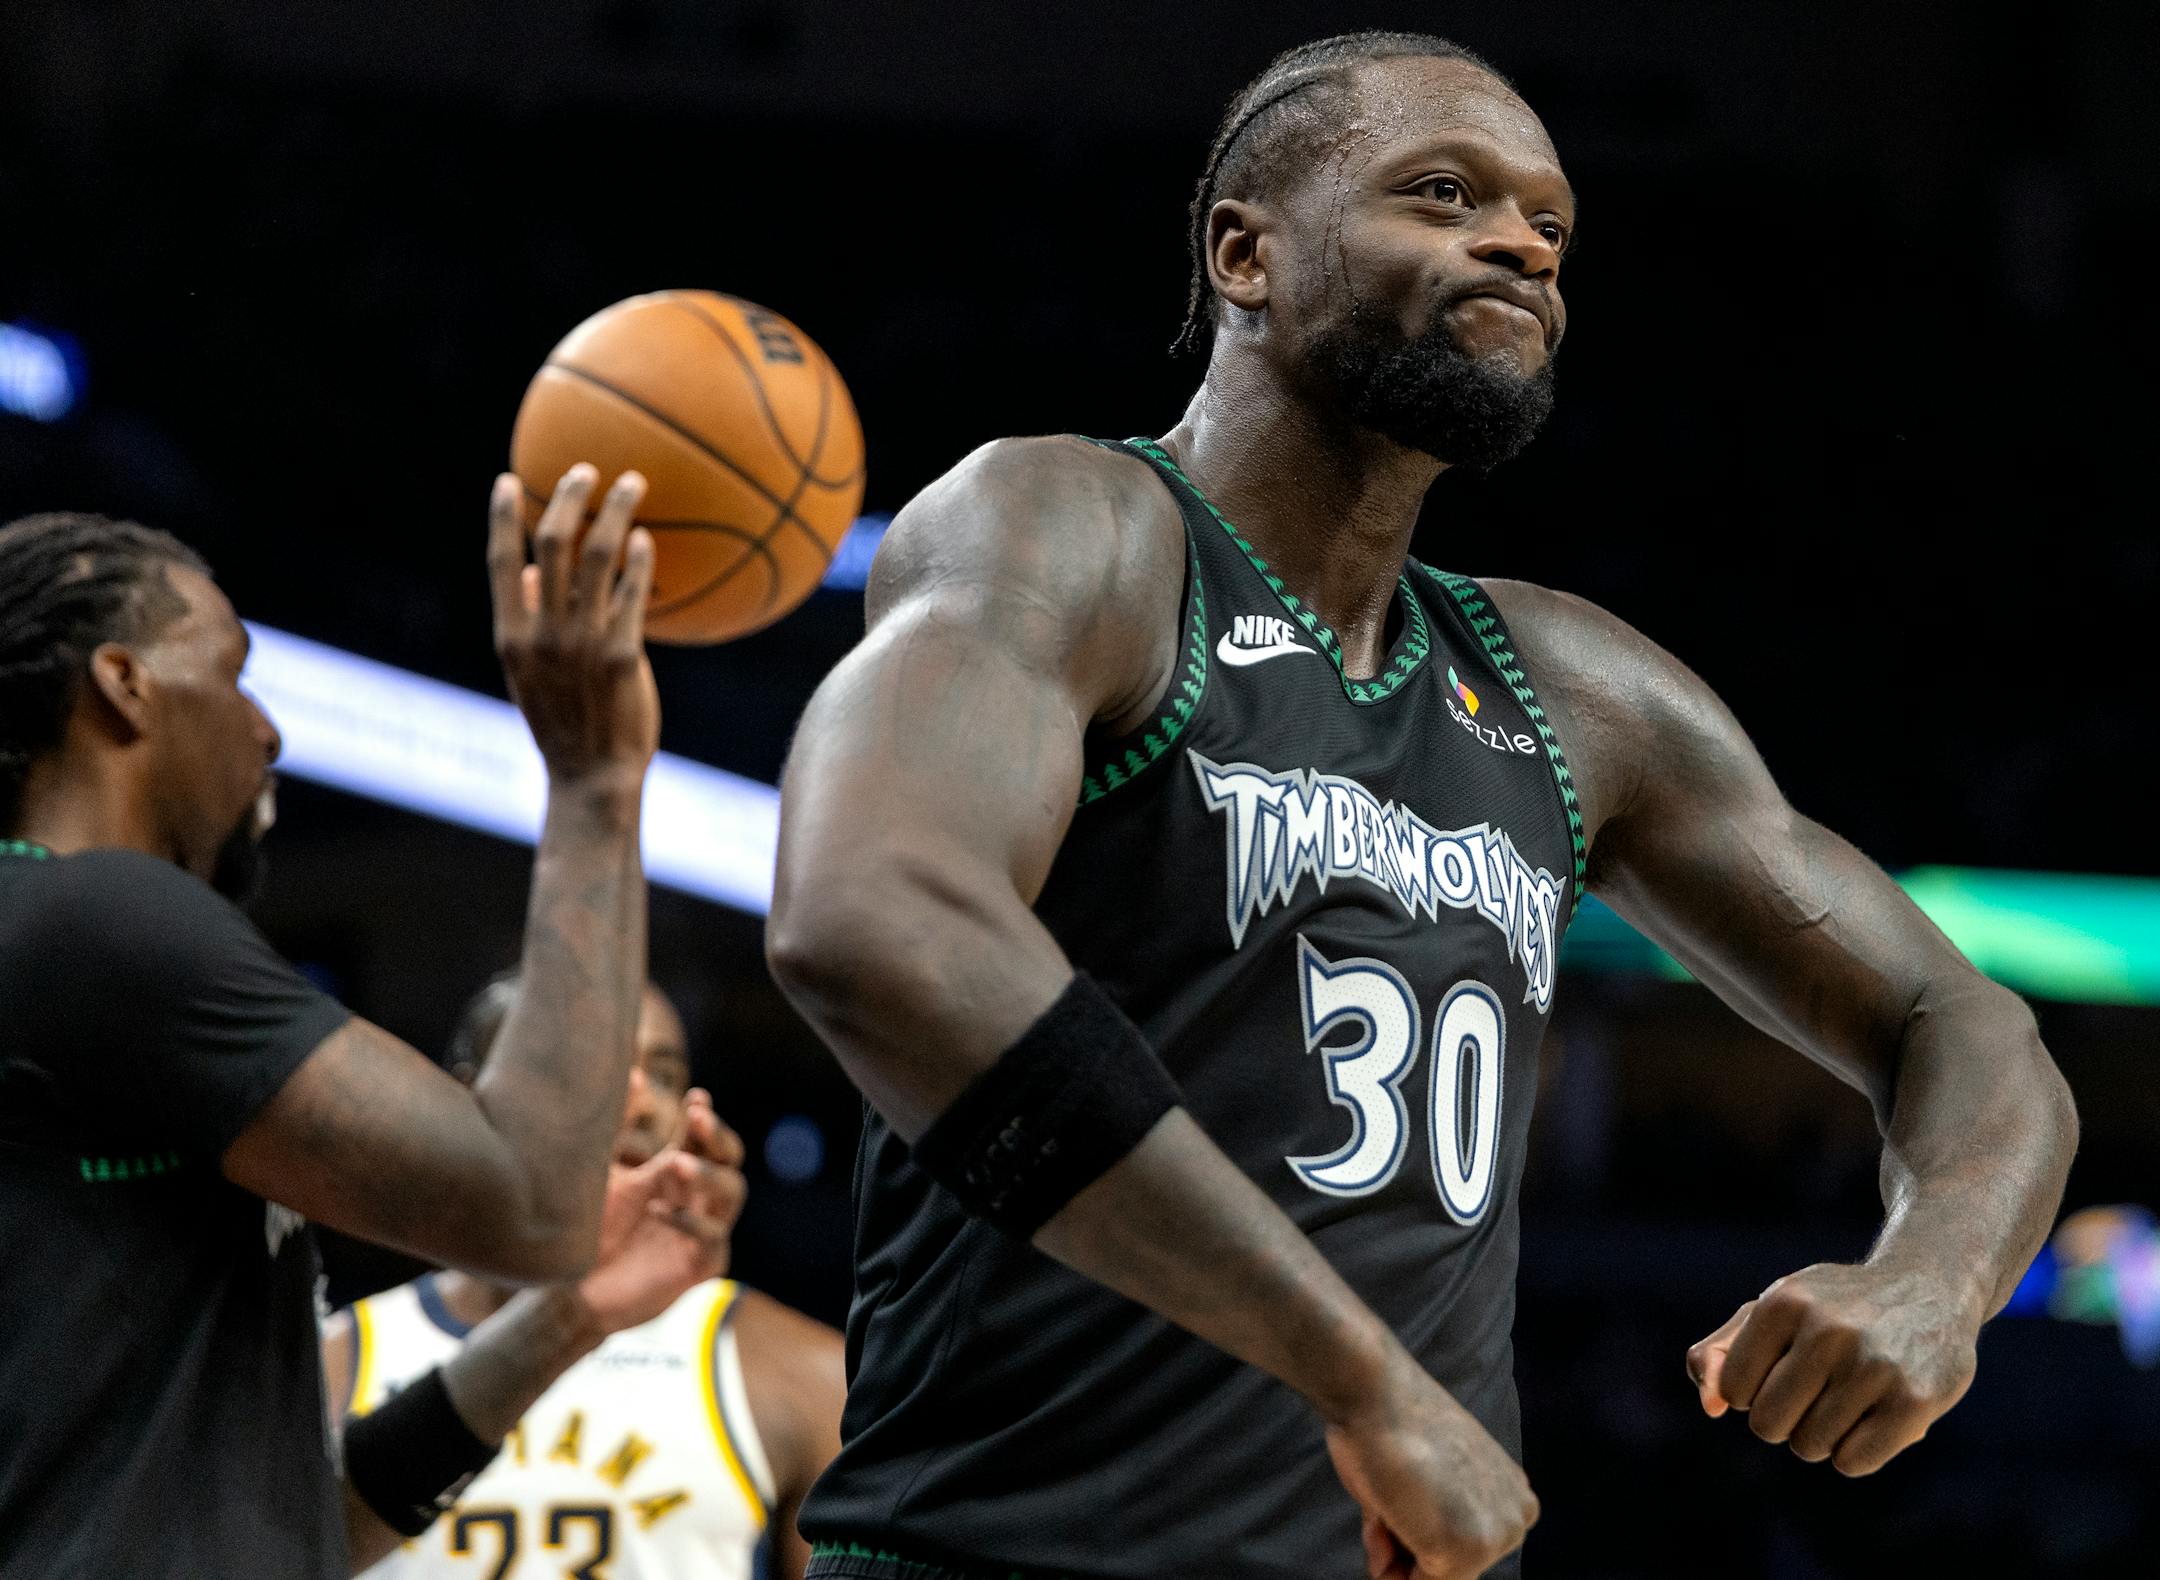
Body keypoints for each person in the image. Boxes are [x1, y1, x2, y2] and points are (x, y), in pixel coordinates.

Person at [764, 31, 2079, 1580]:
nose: (1524, 244)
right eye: (1445, 193)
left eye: (1551, 224)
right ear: (1244, 254)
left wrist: (1936, 1276)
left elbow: (1960, 1021)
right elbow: (869, 920)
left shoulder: (1570, 690)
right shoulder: (1075, 529)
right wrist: (1360, 1376)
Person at [0, 465, 709, 1579]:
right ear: (124, 685)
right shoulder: (98, 916)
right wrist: (594, 783)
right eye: (234, 673)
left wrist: (563, 1323)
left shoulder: (57, 954)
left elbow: (306, 1528)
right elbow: (529, 1201)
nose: (268, 730)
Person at [329, 974, 845, 1580]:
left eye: (663, 1076)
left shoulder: (805, 1374)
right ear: (470, 1099)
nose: (641, 1102)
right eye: (586, 1064)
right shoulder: (331, 1363)